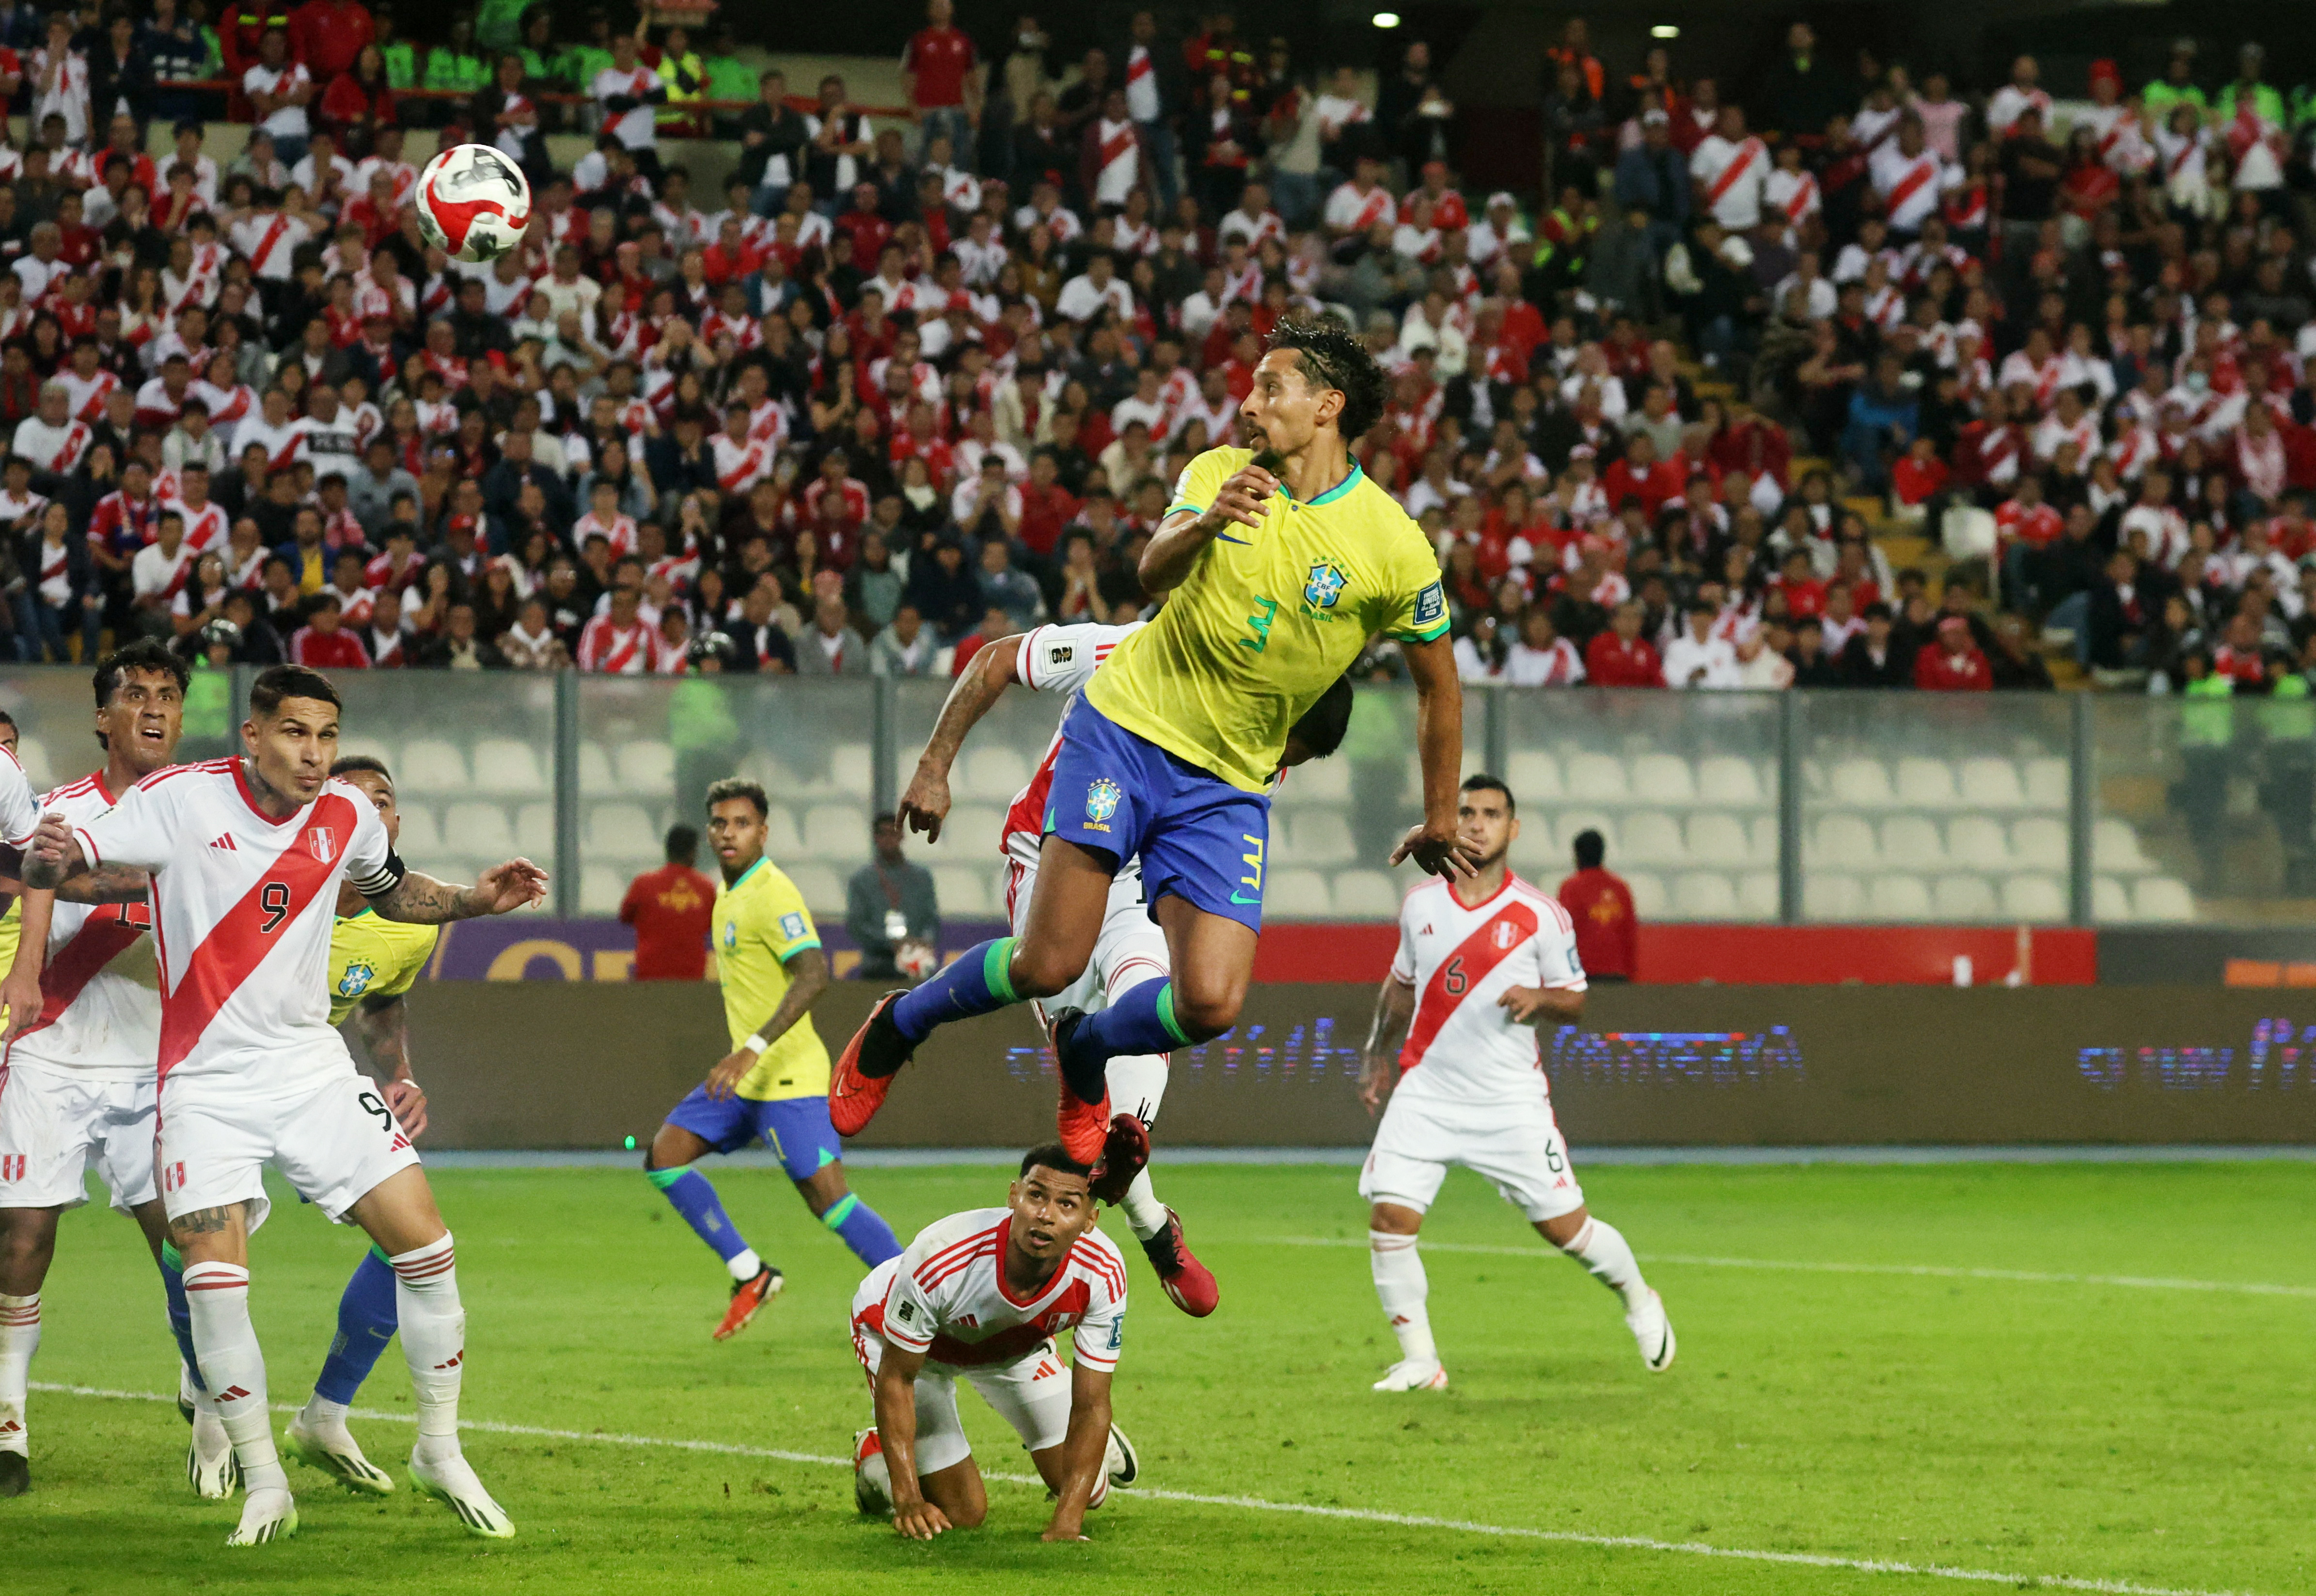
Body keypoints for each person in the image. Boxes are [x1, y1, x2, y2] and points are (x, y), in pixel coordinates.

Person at [833, 317, 1471, 1169]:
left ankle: (1085, 1048)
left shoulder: (1391, 545)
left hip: (1226, 783)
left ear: (1327, 406)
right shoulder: (1217, 475)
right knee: (1045, 964)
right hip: (1125, 735)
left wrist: (1437, 814)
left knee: (1210, 1003)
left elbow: (1439, 683)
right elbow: (1150, 572)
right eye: (1247, 387)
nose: (1247, 405)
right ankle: (899, 1023)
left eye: (1268, 388)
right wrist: (1206, 522)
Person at [21, 664, 548, 1545]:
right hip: (202, 1084)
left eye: (327, 736)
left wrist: (469, 902)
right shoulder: (180, 801)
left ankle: (439, 1445)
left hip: (310, 1069)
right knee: (216, 1285)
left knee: (429, 1248)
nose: (314, 754)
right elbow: (62, 851)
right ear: (255, 734)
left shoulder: (344, 812)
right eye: (297, 733)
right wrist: (55, 863)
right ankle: (265, 1480)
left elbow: (390, 888)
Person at [894, 620, 1355, 1314]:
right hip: (1052, 862)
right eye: (1287, 741)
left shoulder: (1260, 749)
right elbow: (993, 661)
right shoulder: (1136, 648)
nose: (1278, 757)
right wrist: (933, 764)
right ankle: (1151, 1226)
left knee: (1153, 1004)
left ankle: (1117, 1186)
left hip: (1145, 879)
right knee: (1070, 1034)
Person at [1357, 776, 1673, 1391]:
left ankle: (1639, 1295)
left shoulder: (1541, 915)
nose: (1477, 823)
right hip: (1428, 1089)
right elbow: (1399, 986)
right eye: (1466, 812)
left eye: (1492, 813)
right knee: (1390, 1218)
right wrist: (1375, 1052)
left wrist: (1540, 996)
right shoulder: (1422, 903)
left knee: (1569, 1231)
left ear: (1514, 828)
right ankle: (1423, 1361)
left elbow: (1577, 1001)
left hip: (1509, 1101)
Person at [0, 642, 211, 1501]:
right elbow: (44, 872)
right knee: (22, 1236)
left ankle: (205, 1390)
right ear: (103, 715)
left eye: (168, 695)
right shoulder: (58, 808)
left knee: (188, 1245)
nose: (154, 709)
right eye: (135, 694)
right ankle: (9, 1421)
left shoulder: (203, 810)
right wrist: (19, 974)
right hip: (53, 1046)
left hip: (158, 1063)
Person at [641, 779, 900, 1344]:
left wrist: (752, 1047)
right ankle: (749, 1273)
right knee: (665, 1155)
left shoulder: (772, 892)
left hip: (787, 1076)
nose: (728, 833)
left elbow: (814, 973)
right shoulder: (726, 893)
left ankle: (919, 1295)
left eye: (741, 823)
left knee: (829, 1200)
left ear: (764, 830)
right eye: (719, 823)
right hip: (745, 1079)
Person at [278, 755, 445, 1495]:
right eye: (354, 798)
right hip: (208, 1069)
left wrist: (399, 1071)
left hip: (311, 1083)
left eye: (385, 800)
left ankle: (325, 1412)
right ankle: (204, 1387)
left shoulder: (410, 929)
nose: (372, 810)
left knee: (412, 1235)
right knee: (192, 1234)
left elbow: (380, 1002)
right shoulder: (269, 881)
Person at [849, 1145, 1136, 1542]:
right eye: (1036, 1195)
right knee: (960, 1512)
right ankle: (875, 1460)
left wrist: (1065, 1526)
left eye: (1067, 1204)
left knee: (1090, 1493)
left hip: (1011, 1347)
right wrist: (907, 1497)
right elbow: (897, 1379)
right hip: (917, 1348)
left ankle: (1091, 1441)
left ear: (1090, 1220)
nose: (1046, 1215)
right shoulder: (941, 1256)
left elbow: (1092, 1404)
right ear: (1013, 1195)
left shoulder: (1102, 1271)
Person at [846, 813, 940, 982]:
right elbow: (857, 925)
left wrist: (924, 941)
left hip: (916, 966)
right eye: (884, 833)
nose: (889, 839)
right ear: (876, 838)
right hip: (876, 966)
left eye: (894, 833)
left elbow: (932, 919)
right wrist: (890, 943)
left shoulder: (922, 877)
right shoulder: (861, 880)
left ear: (902, 835)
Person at [619, 823, 715, 982]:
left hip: (650, 978)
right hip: (692, 979)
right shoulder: (706, 888)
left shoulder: (643, 884)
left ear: (667, 851)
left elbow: (625, 917)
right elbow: (714, 925)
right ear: (693, 852)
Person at [1556, 827, 1636, 983]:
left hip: (1583, 973)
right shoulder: (1620, 889)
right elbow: (1629, 935)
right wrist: (1631, 973)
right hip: (1617, 974)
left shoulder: (1571, 888)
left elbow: (1564, 933)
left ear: (1577, 856)